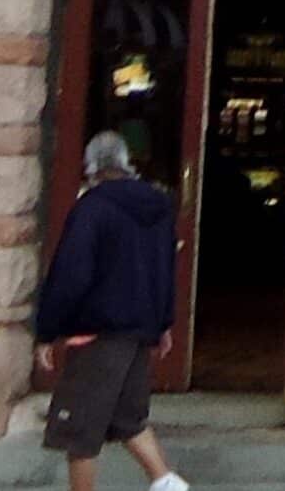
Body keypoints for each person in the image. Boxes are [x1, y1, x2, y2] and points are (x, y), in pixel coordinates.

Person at [34, 129, 188, 491]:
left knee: (79, 431)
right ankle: (167, 483)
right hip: (140, 330)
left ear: (91, 168)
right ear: (125, 163)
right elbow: (166, 268)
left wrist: (48, 331)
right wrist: (163, 323)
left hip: (98, 333)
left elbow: (71, 274)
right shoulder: (158, 206)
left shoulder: (92, 208)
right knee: (128, 418)